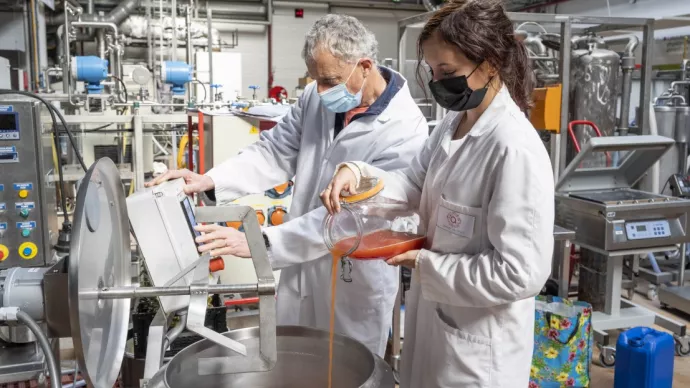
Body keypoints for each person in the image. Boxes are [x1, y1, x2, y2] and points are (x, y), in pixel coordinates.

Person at [146, 14, 428, 356]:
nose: (320, 91)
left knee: (347, 366)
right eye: (316, 79)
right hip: (301, 268)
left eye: (330, 80)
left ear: (365, 66)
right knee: (294, 358)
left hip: (354, 276)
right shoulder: (317, 97)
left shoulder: (404, 128)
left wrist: (260, 242)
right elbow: (275, 151)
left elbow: (358, 216)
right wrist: (210, 179)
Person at [321, 1, 554, 387]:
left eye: (449, 71)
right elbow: (413, 183)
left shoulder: (513, 148)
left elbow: (521, 273)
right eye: (432, 70)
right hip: (436, 326)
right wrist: (358, 177)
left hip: (479, 348)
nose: (438, 81)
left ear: (491, 63)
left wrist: (428, 265)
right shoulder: (452, 124)